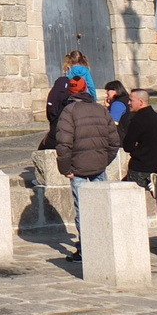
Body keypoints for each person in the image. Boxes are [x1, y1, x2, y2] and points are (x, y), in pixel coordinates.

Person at [54, 75, 120, 261]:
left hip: (78, 169)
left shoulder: (69, 111)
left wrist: (66, 169)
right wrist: (103, 161)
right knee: (103, 207)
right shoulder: (101, 109)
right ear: (85, 90)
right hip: (99, 167)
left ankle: (86, 250)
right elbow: (114, 141)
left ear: (71, 92)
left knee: (82, 211)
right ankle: (106, 246)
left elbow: (64, 144)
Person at [41, 50, 94, 149]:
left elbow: (69, 86)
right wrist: (93, 98)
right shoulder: (86, 70)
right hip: (85, 97)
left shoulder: (69, 71)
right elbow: (91, 85)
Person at [118, 88, 157, 190]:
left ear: (141, 102)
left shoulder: (138, 119)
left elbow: (127, 146)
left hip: (139, 168)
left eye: (131, 100)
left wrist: (135, 148)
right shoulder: (155, 117)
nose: (129, 103)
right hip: (154, 168)